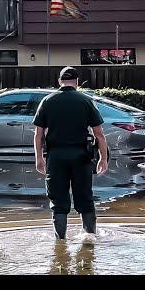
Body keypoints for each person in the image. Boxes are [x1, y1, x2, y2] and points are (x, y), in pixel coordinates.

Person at [33, 66, 108, 240]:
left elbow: (39, 134)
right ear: (77, 82)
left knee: (58, 202)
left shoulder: (47, 101)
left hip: (56, 157)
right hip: (81, 157)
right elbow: (99, 134)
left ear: (59, 81)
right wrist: (103, 158)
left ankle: (61, 242)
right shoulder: (86, 101)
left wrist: (39, 158)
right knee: (85, 199)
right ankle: (89, 239)